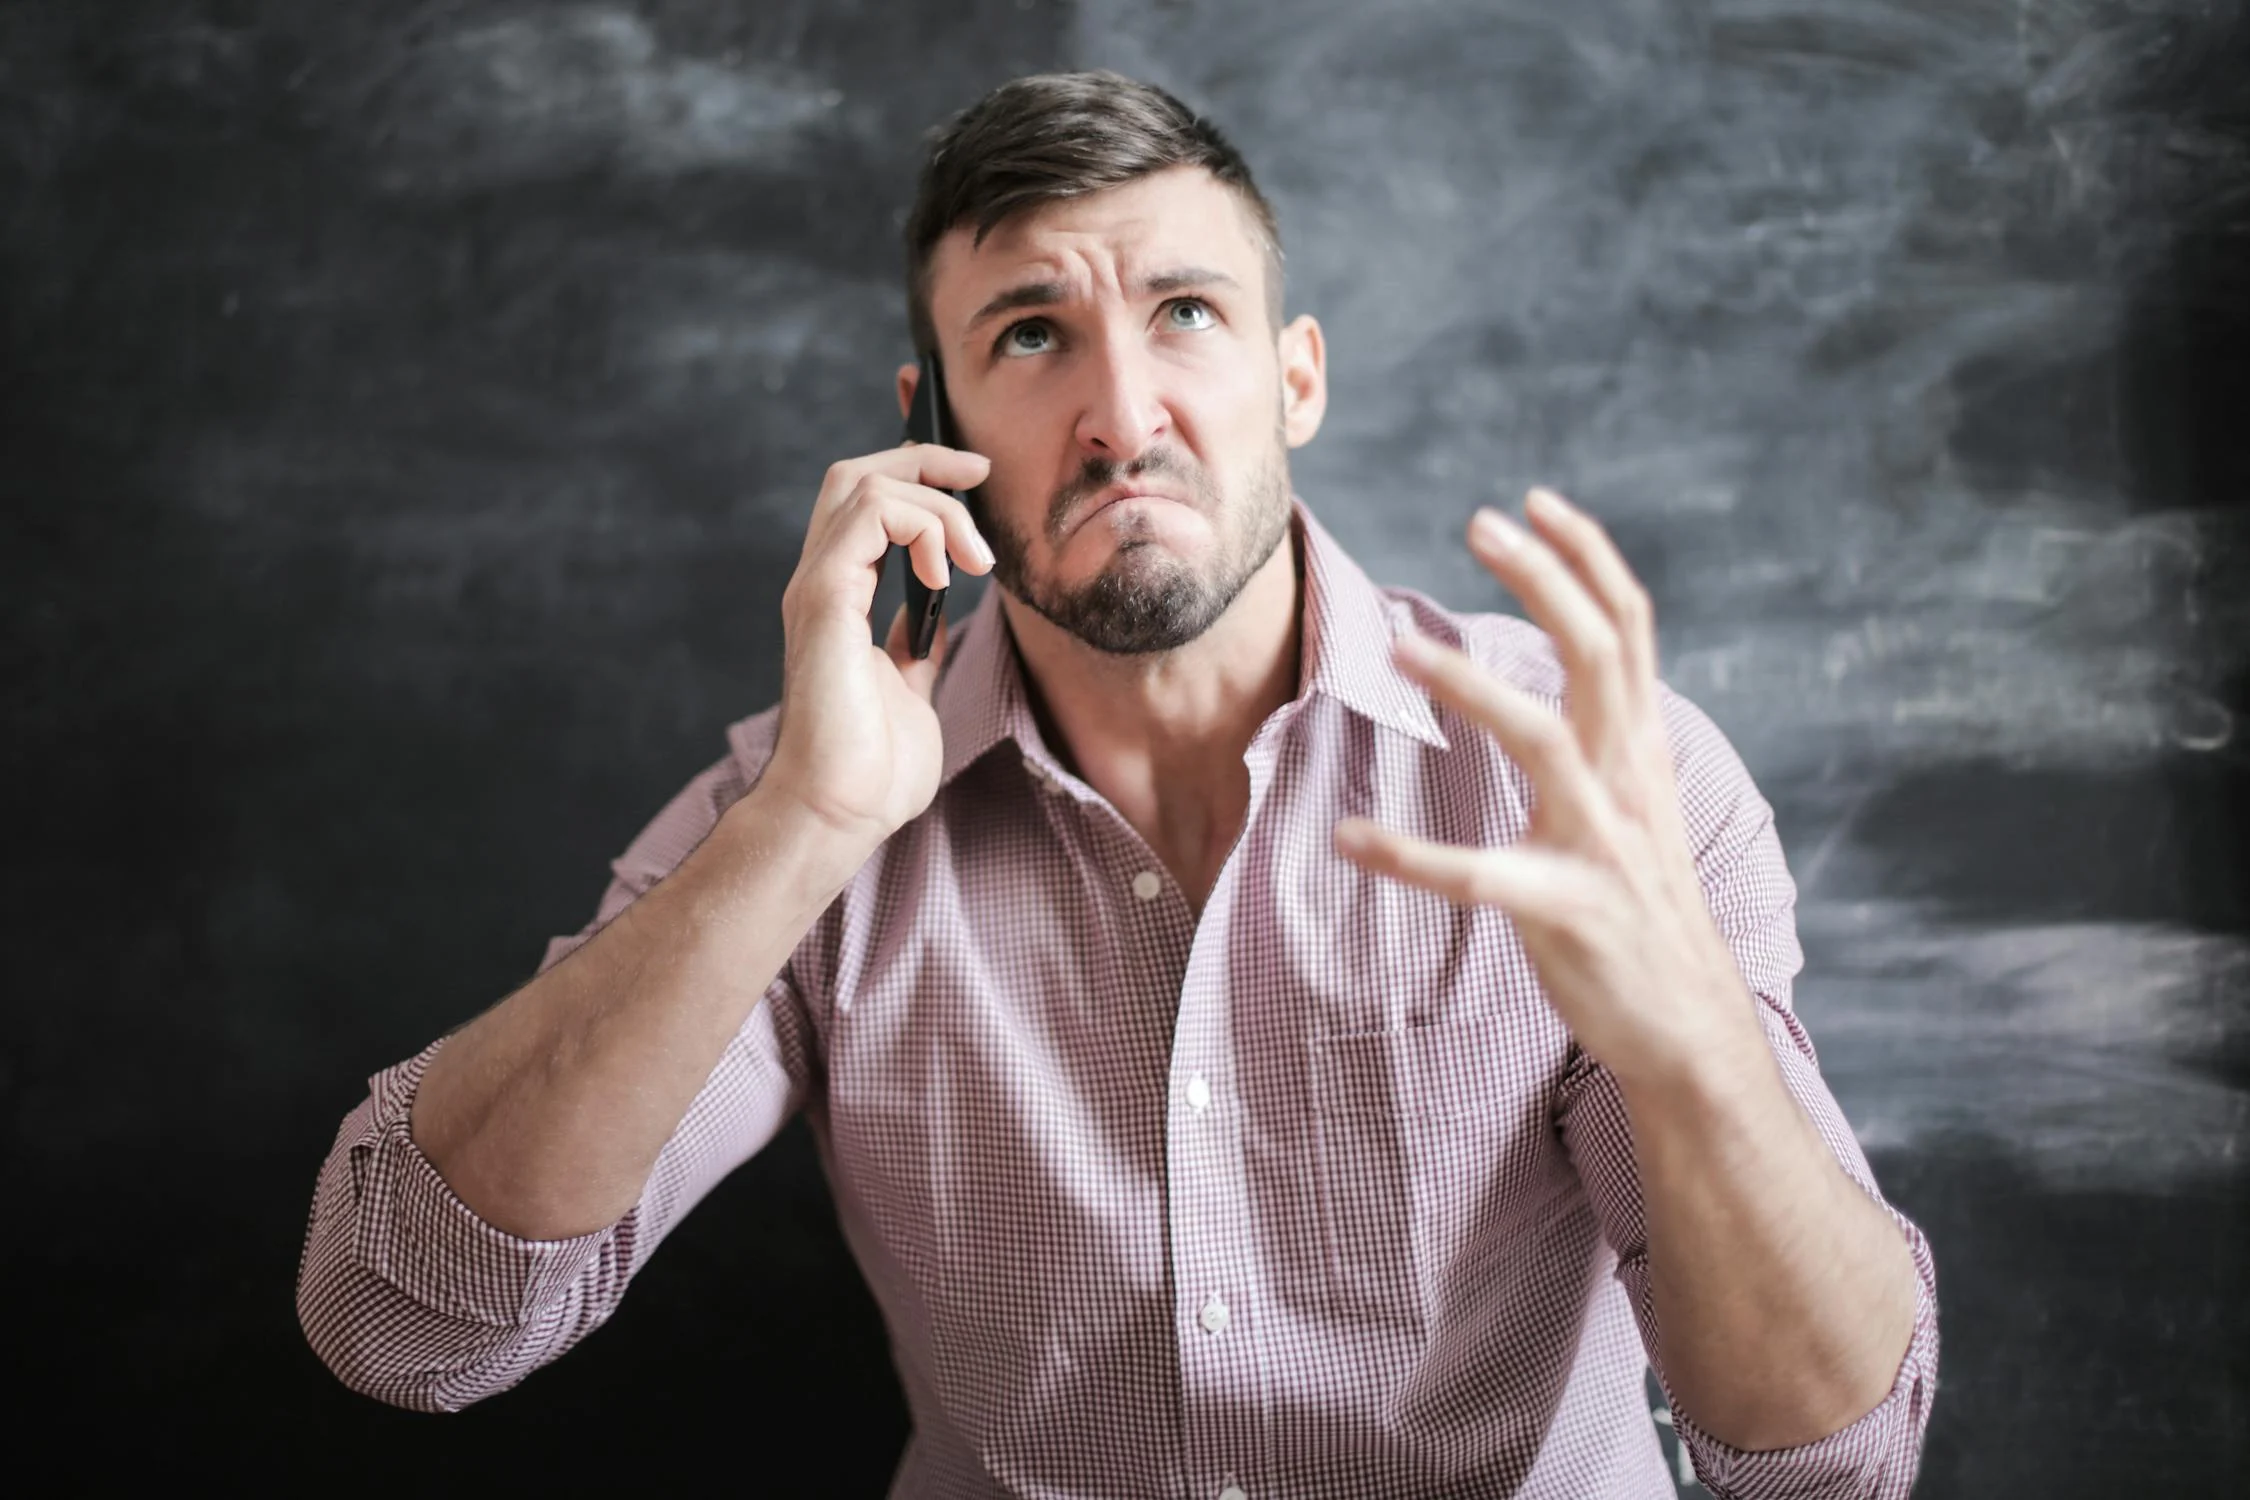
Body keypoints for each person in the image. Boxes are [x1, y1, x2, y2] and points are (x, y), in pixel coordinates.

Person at [298, 70, 1937, 1500]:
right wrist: (798, 833)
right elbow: (404, 1324)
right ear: (925, 427)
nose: (1120, 414)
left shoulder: (1587, 776)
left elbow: (1823, 1464)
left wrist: (1689, 1050)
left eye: (1186, 314)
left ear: (1294, 377)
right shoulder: (814, 804)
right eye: (1030, 337)